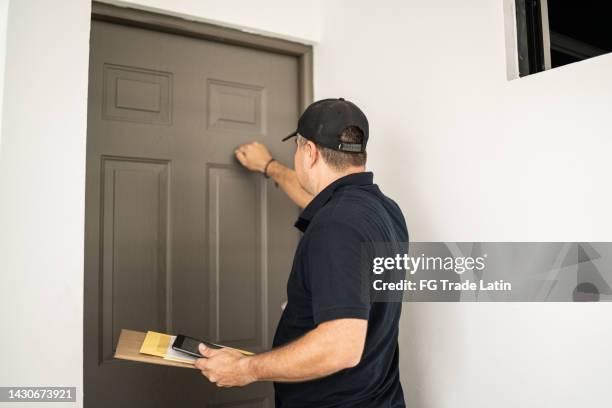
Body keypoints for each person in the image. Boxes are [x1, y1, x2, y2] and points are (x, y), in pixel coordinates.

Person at [195, 98, 408, 407]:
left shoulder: (336, 224)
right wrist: (270, 167)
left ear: (309, 152)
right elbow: (318, 201)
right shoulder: (384, 211)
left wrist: (245, 369)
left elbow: (340, 346)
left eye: (296, 147)